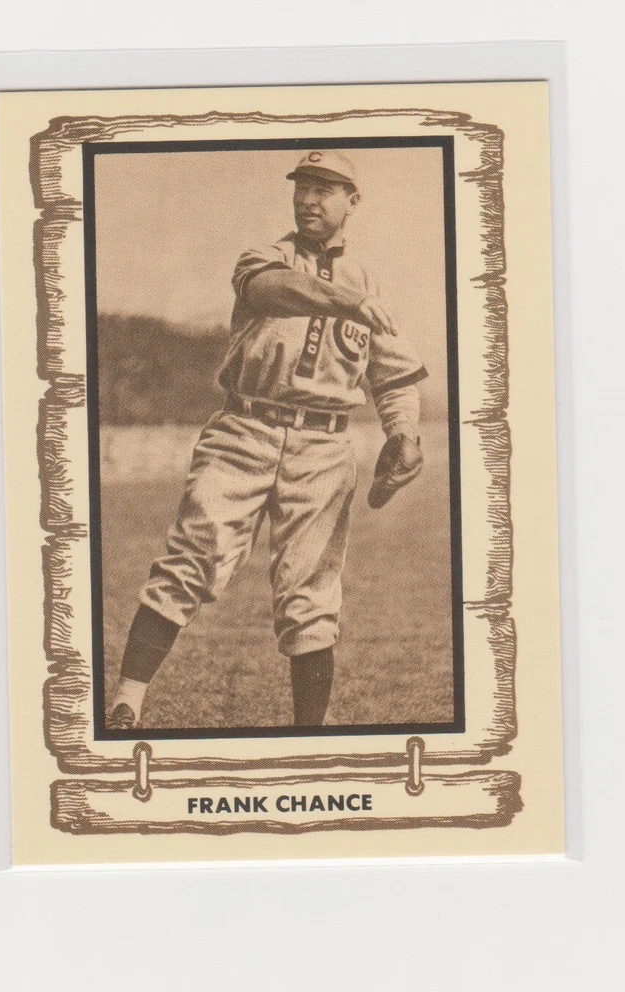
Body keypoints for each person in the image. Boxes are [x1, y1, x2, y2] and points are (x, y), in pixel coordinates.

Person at [107, 150, 428, 729]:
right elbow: (269, 291)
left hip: (324, 446)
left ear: (353, 201)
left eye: (324, 189)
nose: (308, 198)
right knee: (191, 558)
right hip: (245, 429)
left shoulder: (370, 283)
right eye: (301, 187)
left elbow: (395, 378)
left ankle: (309, 737)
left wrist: (404, 434)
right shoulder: (267, 257)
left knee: (311, 597)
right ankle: (127, 701)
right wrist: (350, 302)